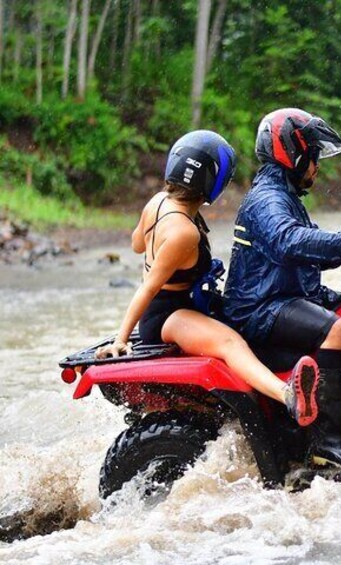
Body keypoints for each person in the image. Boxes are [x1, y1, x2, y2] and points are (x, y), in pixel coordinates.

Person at [95, 130, 319, 428]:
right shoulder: (183, 232)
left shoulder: (158, 202)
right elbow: (148, 287)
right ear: (214, 182)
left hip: (181, 303)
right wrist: (121, 339)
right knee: (230, 343)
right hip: (167, 315)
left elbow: (138, 244)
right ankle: (287, 396)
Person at [223, 108, 341, 467]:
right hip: (259, 310)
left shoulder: (284, 197)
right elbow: (291, 242)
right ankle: (329, 445)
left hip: (281, 298)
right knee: (334, 328)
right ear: (295, 154)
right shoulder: (268, 200)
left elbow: (313, 248)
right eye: (314, 155)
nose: (317, 166)